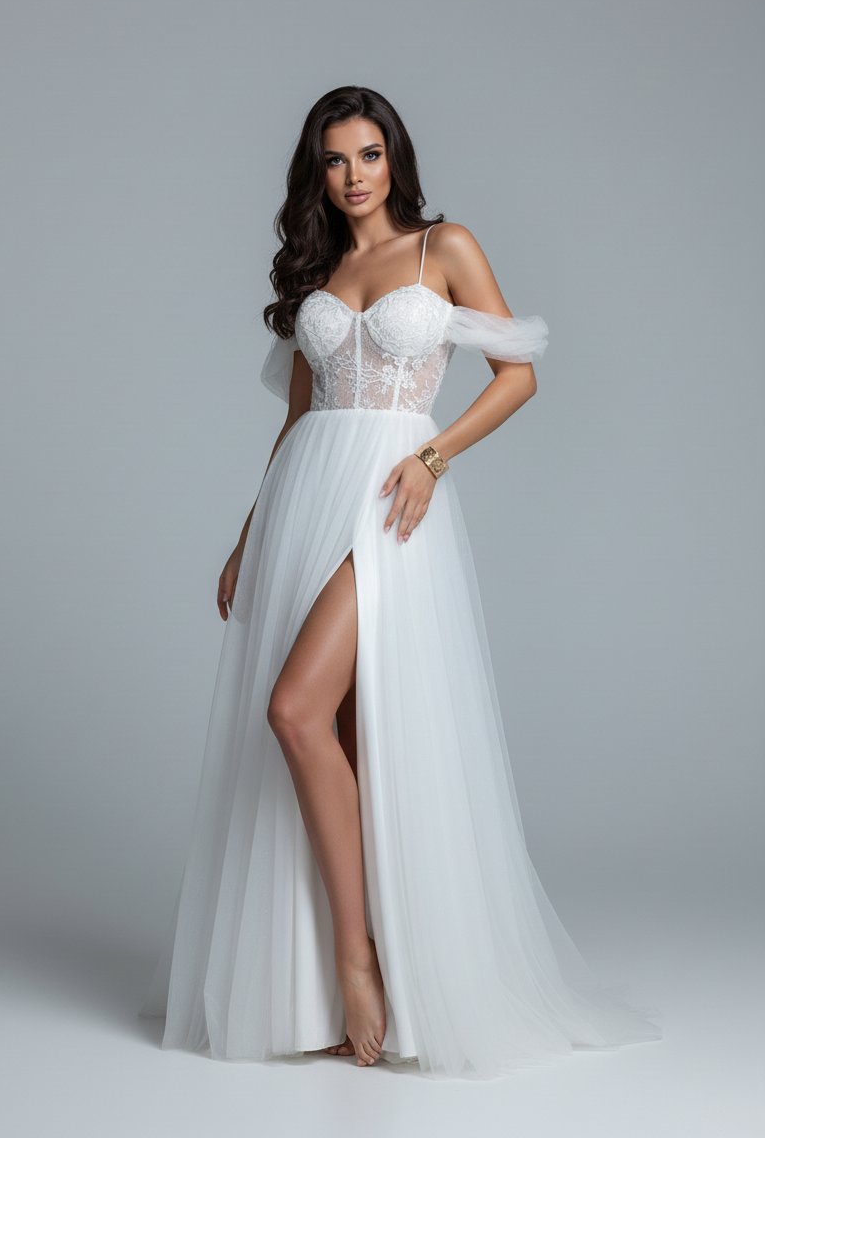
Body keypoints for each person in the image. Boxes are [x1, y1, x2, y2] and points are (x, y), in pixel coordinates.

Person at [139, 85, 661, 1079]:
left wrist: (433, 457)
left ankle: (362, 963)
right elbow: (296, 419)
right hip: (305, 496)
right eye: (335, 160)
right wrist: (246, 535)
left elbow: (518, 376)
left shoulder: (443, 248)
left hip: (390, 497)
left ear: (395, 159)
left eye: (369, 155)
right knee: (336, 733)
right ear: (317, 172)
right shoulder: (317, 273)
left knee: (297, 711)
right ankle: (346, 974)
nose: (354, 176)